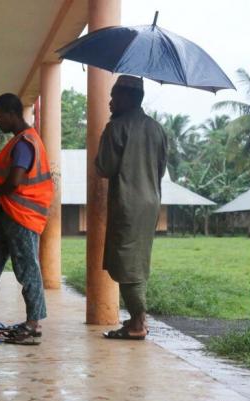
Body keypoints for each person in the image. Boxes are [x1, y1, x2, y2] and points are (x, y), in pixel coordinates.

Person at [0, 93, 54, 344]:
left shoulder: (25, 142)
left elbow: (16, 180)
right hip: (8, 213)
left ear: (12, 113)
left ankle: (33, 324)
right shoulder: (20, 141)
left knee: (27, 267)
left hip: (21, 215)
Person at [95, 75, 168, 340]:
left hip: (127, 202)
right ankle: (137, 319)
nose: (110, 102)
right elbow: (161, 168)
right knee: (137, 260)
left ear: (127, 98)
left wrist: (108, 134)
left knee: (127, 263)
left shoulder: (117, 128)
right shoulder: (157, 128)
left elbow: (104, 167)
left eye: (114, 97)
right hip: (150, 203)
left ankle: (138, 322)